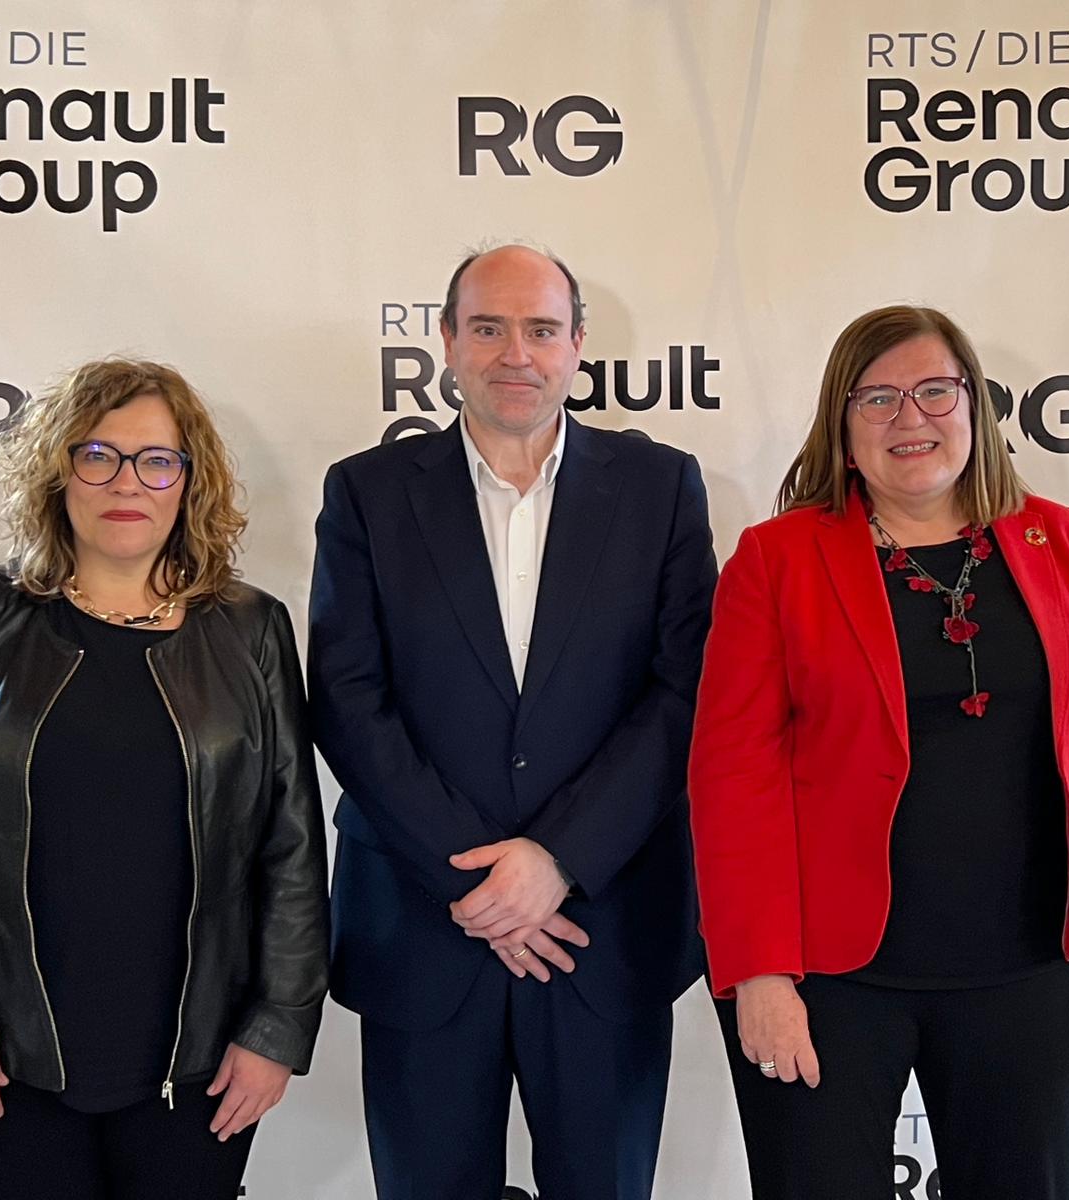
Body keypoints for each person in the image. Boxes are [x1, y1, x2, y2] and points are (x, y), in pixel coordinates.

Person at [688, 306, 1069, 1199]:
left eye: (934, 391)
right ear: (842, 425)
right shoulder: (775, 560)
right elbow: (731, 781)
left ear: (974, 405)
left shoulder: (1059, 541)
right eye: (876, 398)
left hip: (1030, 970)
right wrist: (757, 972)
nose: (909, 418)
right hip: (829, 980)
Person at [0, 358, 329, 1200]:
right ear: (58, 472)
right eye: (97, 455)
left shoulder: (251, 628)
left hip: (201, 1065)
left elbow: (291, 849)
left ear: (190, 481)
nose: (127, 482)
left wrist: (278, 1027)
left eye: (156, 460)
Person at [310, 243, 717, 1198]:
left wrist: (558, 859)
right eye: (488, 328)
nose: (516, 354)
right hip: (423, 924)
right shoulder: (367, 493)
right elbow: (347, 696)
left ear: (579, 344)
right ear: (447, 341)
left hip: (601, 927)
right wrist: (482, 879)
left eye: (541, 329)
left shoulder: (661, 487)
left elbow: (685, 691)